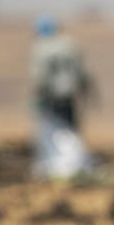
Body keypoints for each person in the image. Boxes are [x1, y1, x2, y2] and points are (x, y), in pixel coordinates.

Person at [30, 15, 92, 178]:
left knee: (52, 131)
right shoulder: (70, 44)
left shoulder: (41, 47)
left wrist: (37, 97)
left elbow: (40, 77)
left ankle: (58, 165)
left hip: (51, 97)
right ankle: (73, 163)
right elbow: (81, 72)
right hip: (70, 95)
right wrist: (85, 91)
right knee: (69, 129)